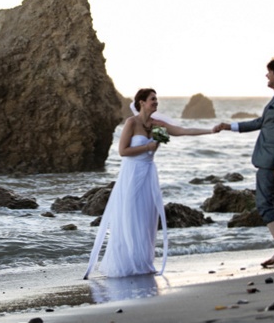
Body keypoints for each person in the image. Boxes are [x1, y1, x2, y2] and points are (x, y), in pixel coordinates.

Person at [84, 88, 217, 279]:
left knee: (147, 218)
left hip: (148, 174)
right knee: (130, 216)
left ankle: (143, 262)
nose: (156, 102)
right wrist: (147, 146)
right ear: (141, 103)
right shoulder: (131, 122)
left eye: (156, 99)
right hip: (131, 174)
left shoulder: (158, 125)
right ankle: (127, 262)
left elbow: (183, 131)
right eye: (152, 99)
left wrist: (210, 130)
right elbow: (122, 151)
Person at [214, 58, 274, 268]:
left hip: (272, 161)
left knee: (263, 203)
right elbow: (260, 123)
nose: (266, 76)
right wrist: (229, 126)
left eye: (269, 72)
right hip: (273, 160)